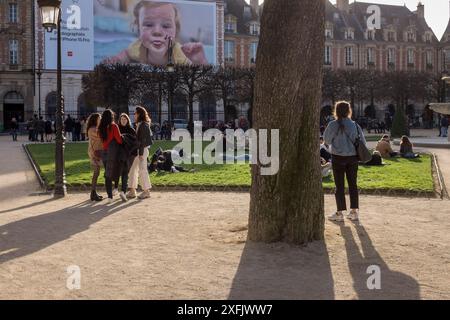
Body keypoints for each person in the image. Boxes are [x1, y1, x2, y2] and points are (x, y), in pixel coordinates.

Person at [106, 0, 207, 66]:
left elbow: (199, 75)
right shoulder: (137, 47)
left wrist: (200, 62)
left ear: (175, 31)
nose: (157, 32)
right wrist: (117, 59)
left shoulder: (178, 54)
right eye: (149, 25)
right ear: (138, 28)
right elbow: (127, 54)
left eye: (166, 26)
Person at [323, 101, 367, 222]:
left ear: (336, 111)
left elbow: (326, 140)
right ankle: (354, 211)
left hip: (338, 157)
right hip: (352, 158)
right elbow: (363, 142)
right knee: (353, 184)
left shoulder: (332, 125)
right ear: (349, 111)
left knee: (339, 186)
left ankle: (340, 212)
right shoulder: (355, 125)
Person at [98, 109, 124, 203]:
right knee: (116, 172)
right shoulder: (113, 126)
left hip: (104, 152)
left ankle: (109, 196)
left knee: (107, 174)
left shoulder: (101, 127)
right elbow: (119, 140)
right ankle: (115, 190)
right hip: (113, 152)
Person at [127, 106, 153, 200]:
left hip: (142, 150)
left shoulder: (143, 125)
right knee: (133, 169)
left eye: (135, 113)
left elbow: (143, 140)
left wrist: (141, 153)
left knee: (142, 170)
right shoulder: (141, 124)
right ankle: (132, 190)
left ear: (139, 114)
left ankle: (146, 191)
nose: (134, 115)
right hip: (139, 150)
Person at [115, 113, 138, 199]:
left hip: (129, 154)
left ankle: (123, 191)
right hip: (120, 154)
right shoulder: (117, 129)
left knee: (125, 172)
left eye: (125, 119)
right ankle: (116, 189)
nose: (123, 121)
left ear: (128, 120)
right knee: (119, 171)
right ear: (120, 120)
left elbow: (136, 143)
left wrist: (130, 152)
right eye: (122, 119)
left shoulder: (131, 129)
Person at [86, 113, 104, 202]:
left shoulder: (97, 129)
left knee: (97, 173)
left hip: (99, 152)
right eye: (99, 118)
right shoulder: (92, 129)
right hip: (94, 153)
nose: (101, 119)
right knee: (96, 173)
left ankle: (93, 193)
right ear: (95, 119)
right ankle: (93, 193)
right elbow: (100, 136)